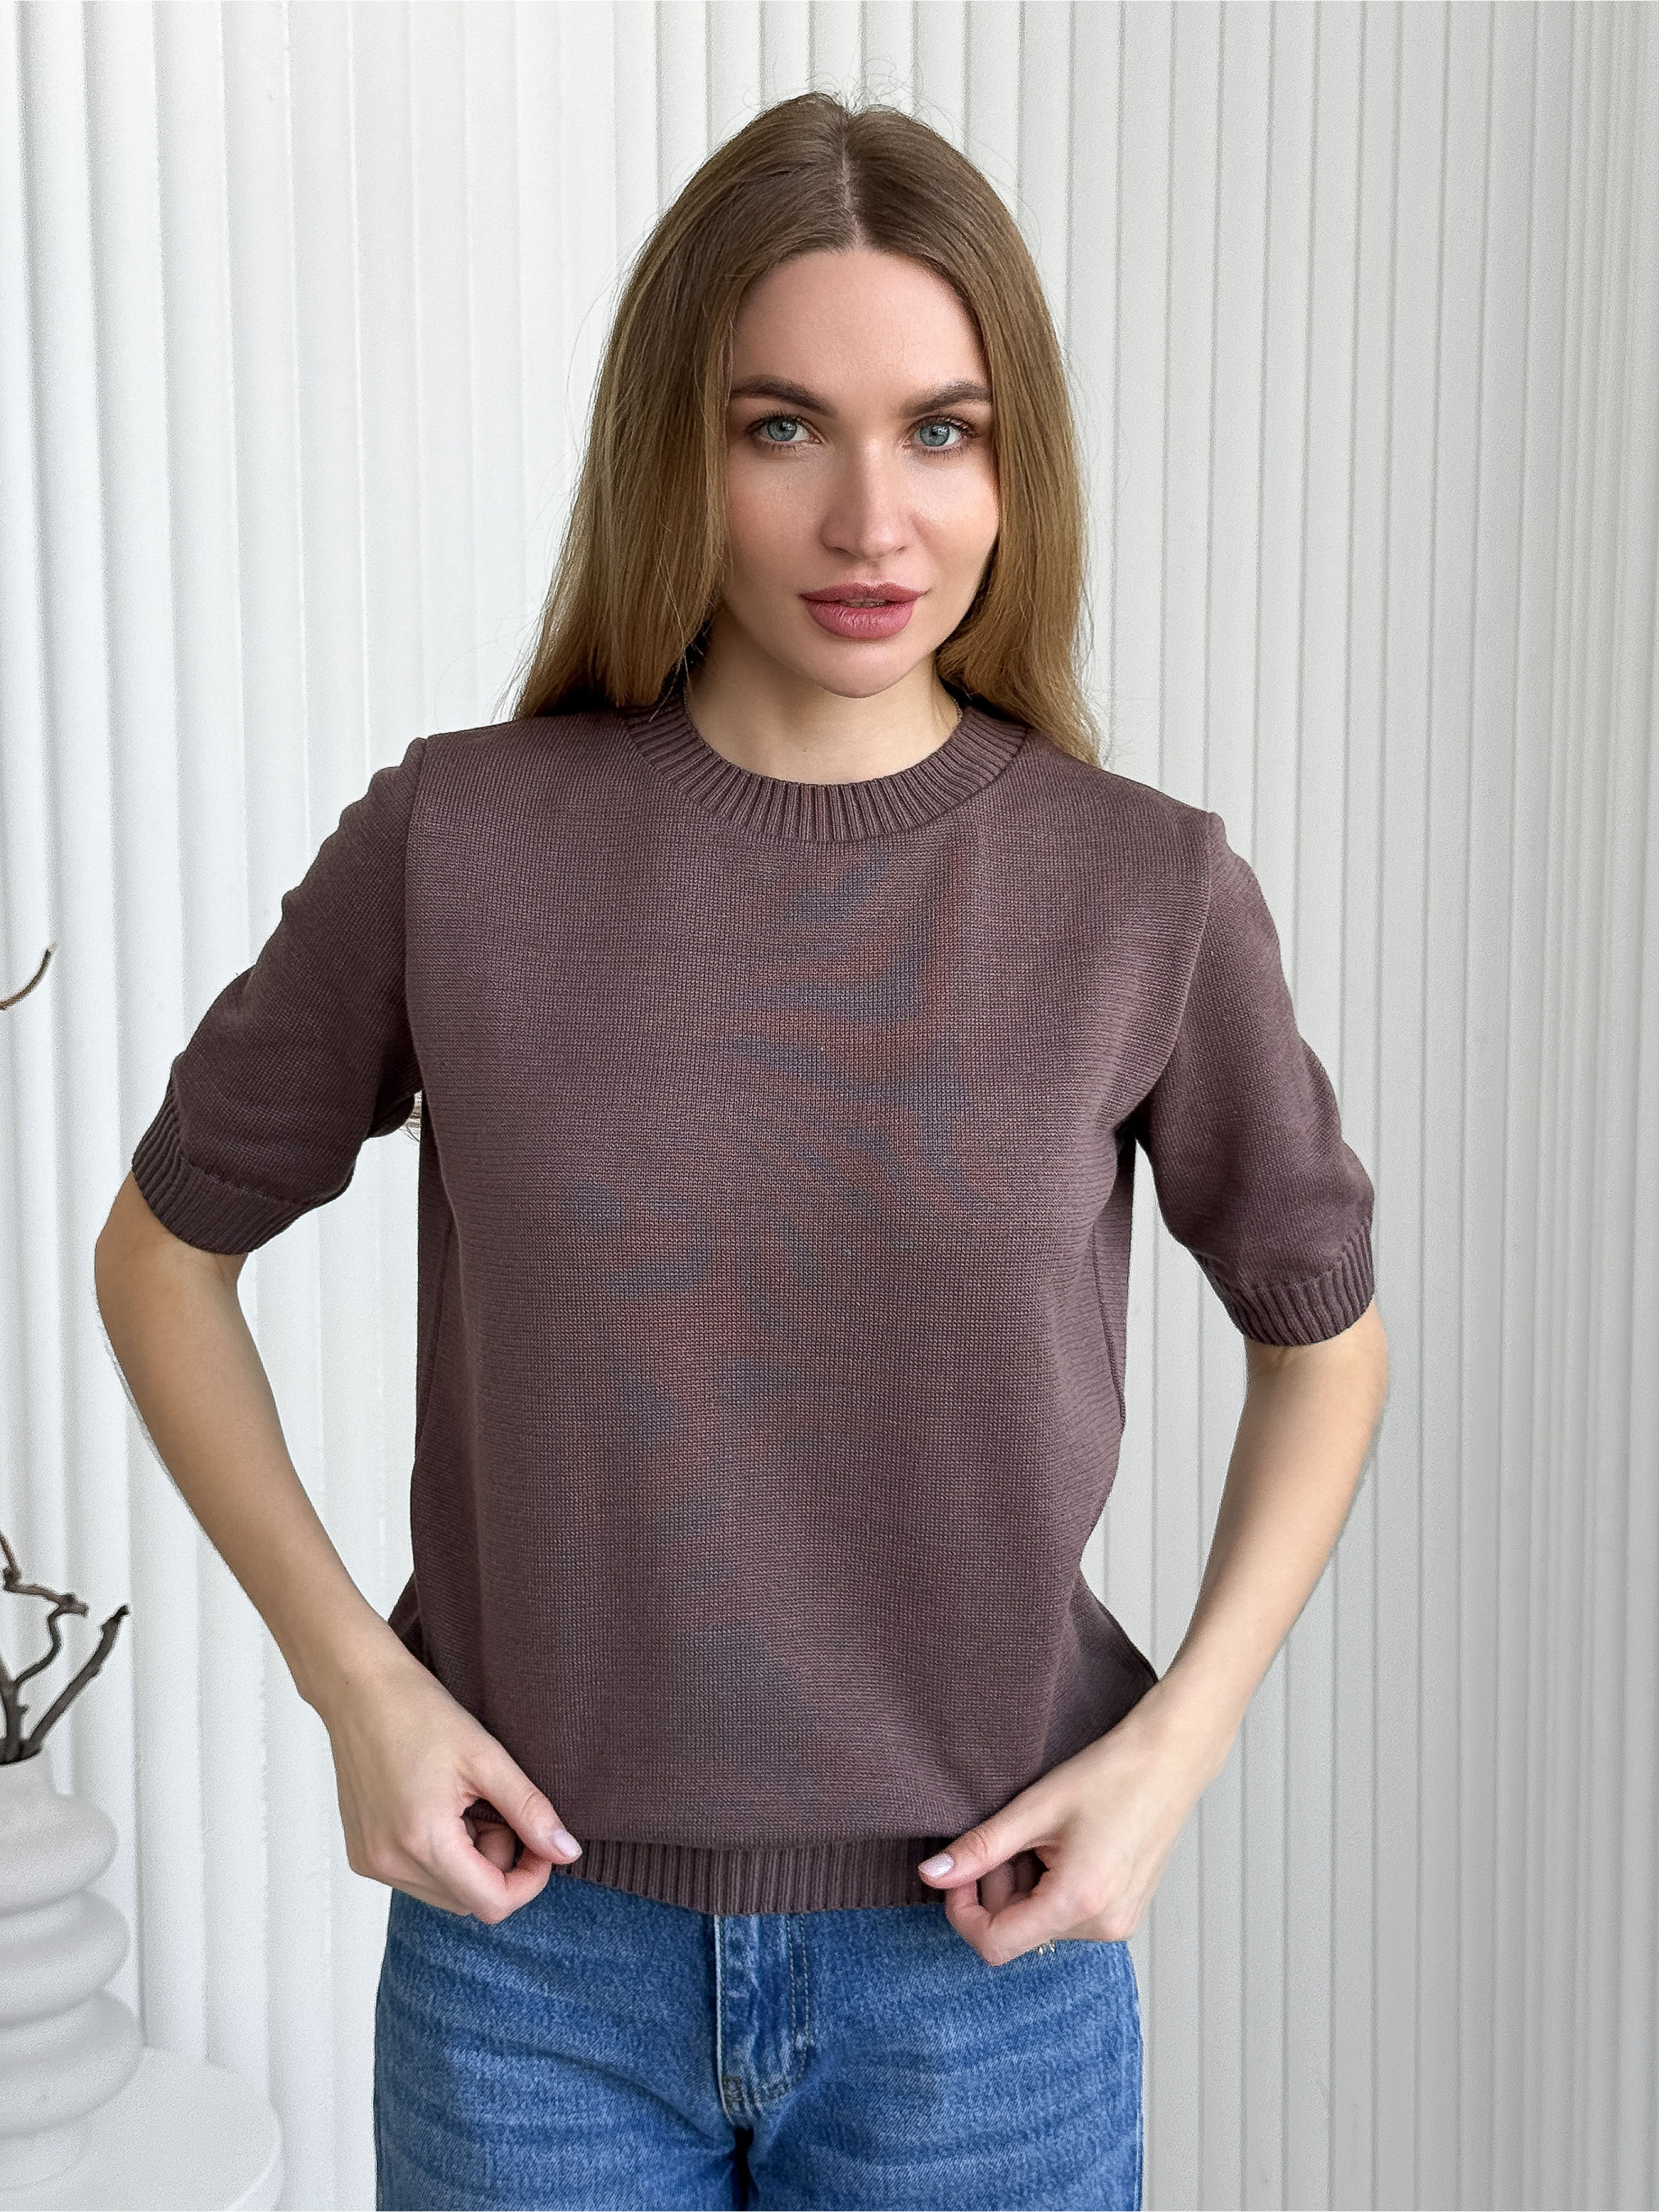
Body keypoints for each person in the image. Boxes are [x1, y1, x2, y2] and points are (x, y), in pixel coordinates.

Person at [94, 89, 1387, 2212]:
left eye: (942, 432)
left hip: (982, 1976)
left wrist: (1179, 1742)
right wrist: (359, 1685)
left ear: (1016, 467)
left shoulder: (1142, 892)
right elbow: (162, 1252)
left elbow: (1320, 1334)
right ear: (671, 456)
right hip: (535, 1969)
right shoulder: (459, 844)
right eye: (783, 426)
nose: (873, 518)